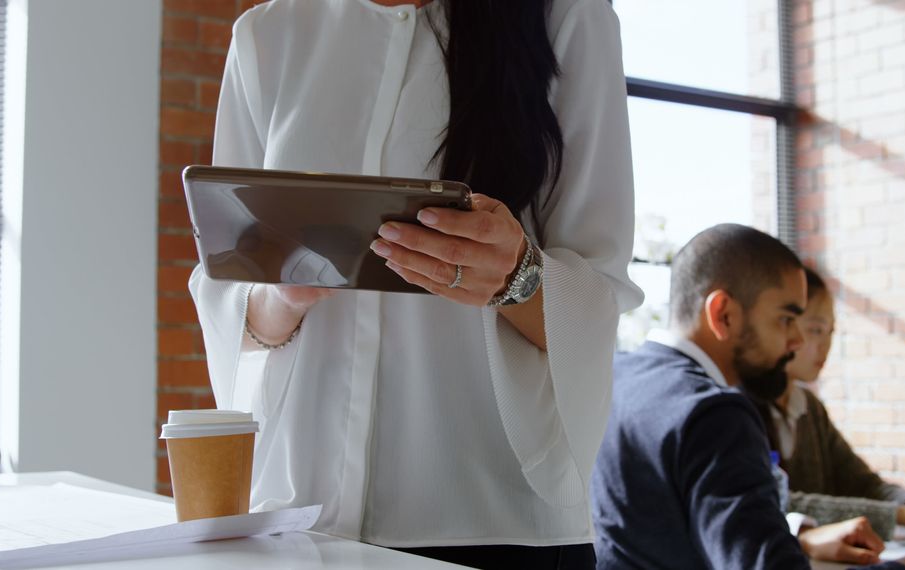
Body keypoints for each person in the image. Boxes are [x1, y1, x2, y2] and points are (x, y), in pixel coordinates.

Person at [189, 1, 643, 568]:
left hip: (495, 523)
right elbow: (226, 286)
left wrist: (515, 276)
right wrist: (283, 294)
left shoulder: (568, 19)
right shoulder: (268, 33)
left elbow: (600, 299)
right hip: (298, 521)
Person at [591, 224, 905, 569]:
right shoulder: (714, 413)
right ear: (722, 313)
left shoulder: (616, 376)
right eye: (787, 319)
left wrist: (797, 531)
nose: (797, 341)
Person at [767, 268, 905, 540]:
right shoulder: (740, 411)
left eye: (830, 332)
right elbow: (775, 503)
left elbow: (861, 483)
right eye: (816, 330)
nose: (825, 345)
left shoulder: (809, 407)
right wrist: (902, 515)